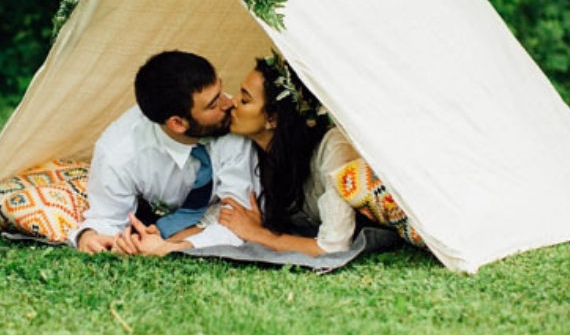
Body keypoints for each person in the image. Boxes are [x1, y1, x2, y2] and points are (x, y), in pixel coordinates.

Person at [123, 52, 360, 257]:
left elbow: (334, 247)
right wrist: (166, 242)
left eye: (245, 99)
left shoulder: (332, 149)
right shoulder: (252, 150)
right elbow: (228, 218)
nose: (231, 103)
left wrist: (260, 235)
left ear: (273, 119)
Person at [71, 50, 258, 254]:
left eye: (220, 91)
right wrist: (89, 237)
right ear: (177, 124)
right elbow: (107, 219)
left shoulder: (235, 124)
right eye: (213, 104)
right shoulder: (119, 152)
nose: (229, 103)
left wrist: (173, 247)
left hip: (203, 222)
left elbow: (242, 222)